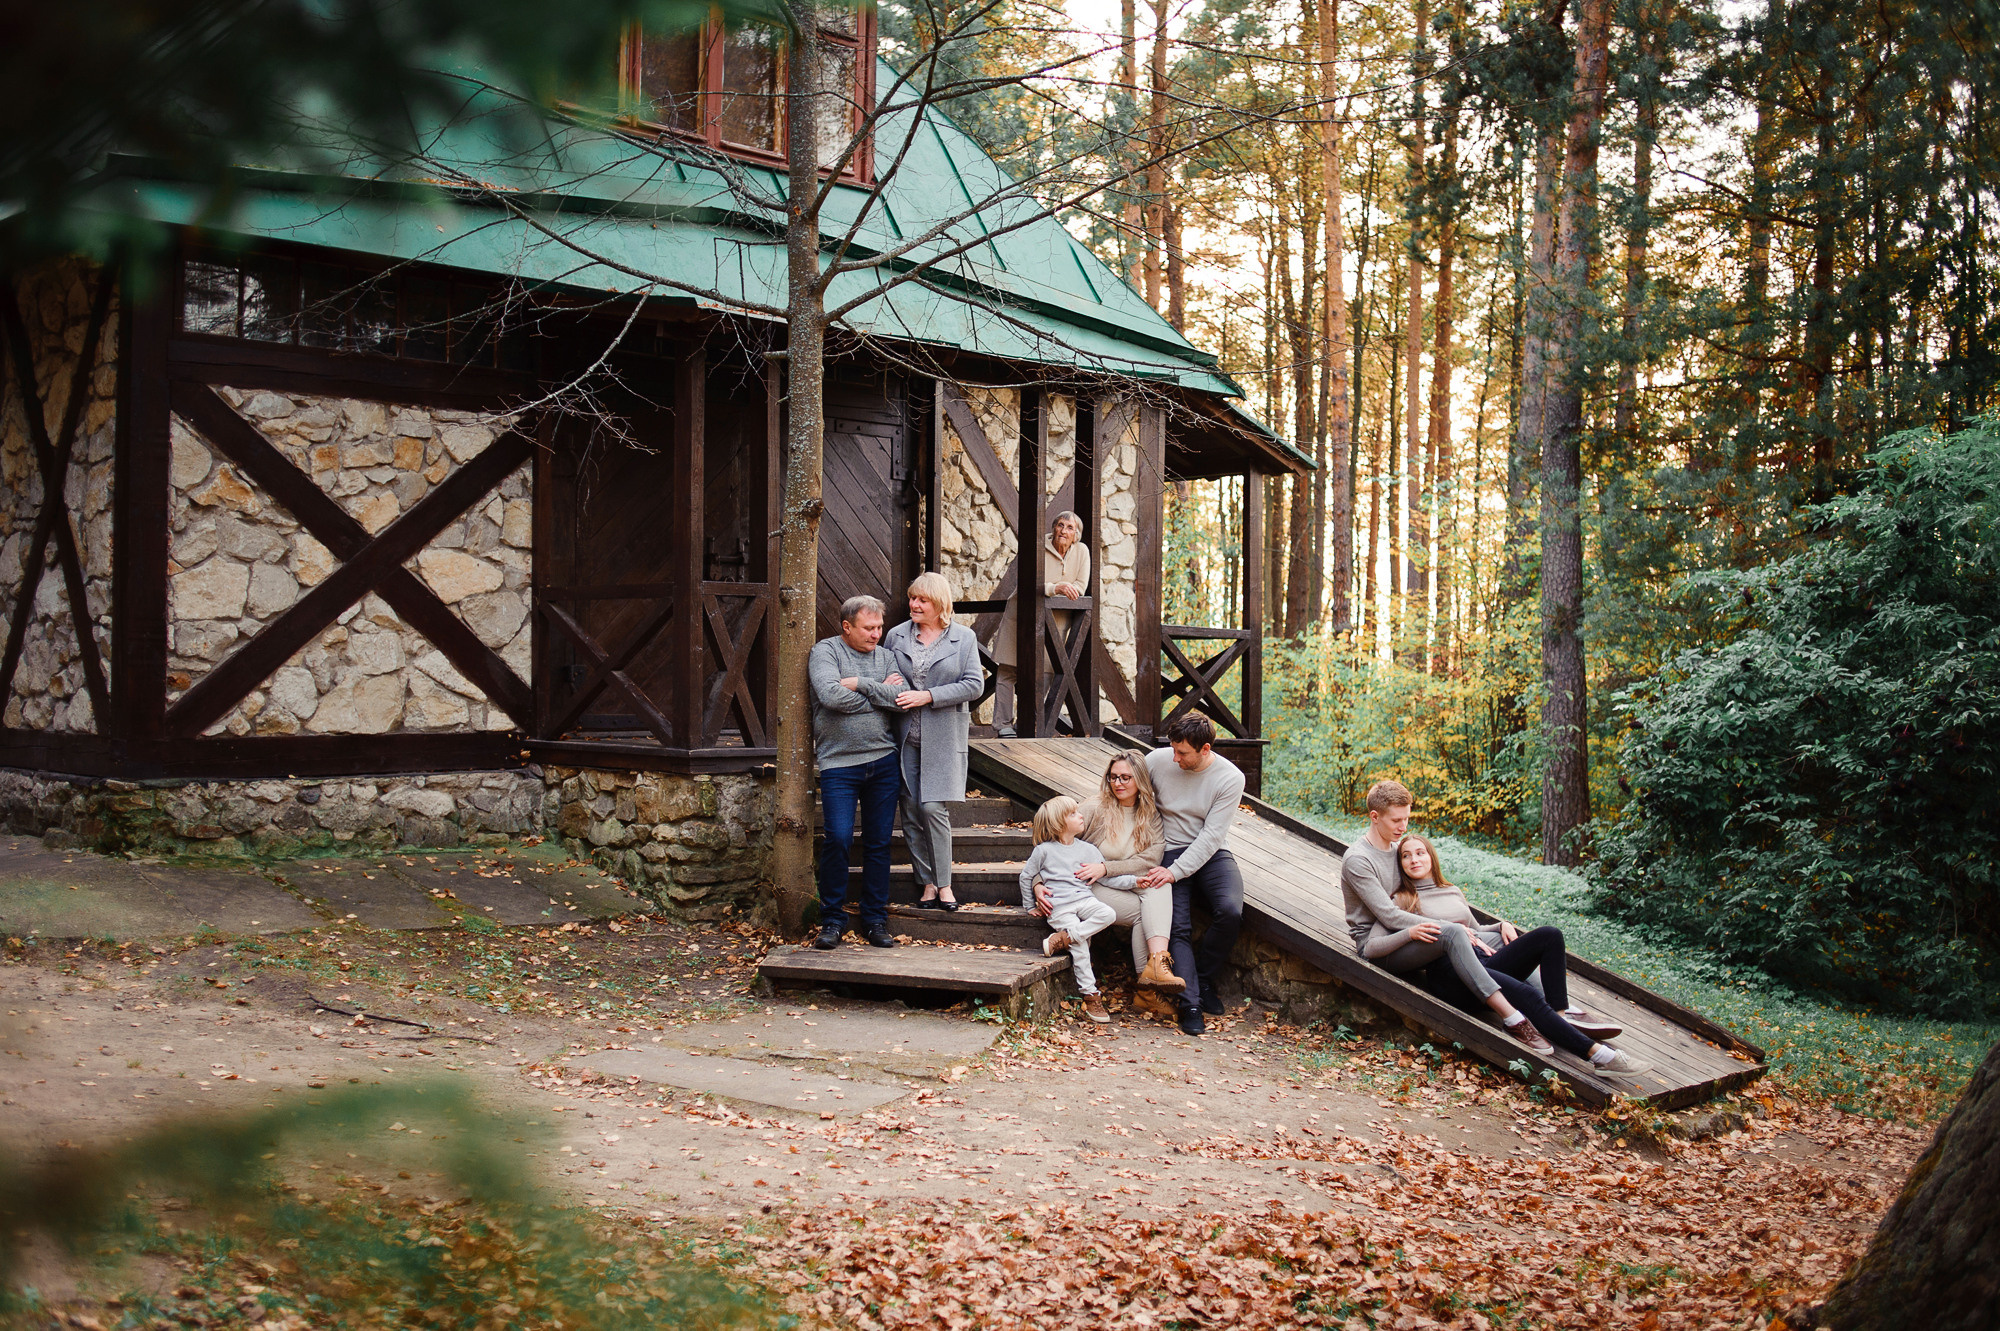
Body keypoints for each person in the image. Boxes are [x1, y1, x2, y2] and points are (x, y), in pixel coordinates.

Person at [1366, 833, 1652, 1076]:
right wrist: (1413, 932)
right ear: (1400, 864)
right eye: (1406, 856)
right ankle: (1598, 1056)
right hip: (1453, 978)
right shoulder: (1402, 899)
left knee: (1549, 935)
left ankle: (1560, 1016)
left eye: (1420, 853)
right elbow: (1373, 947)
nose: (1414, 860)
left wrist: (1499, 925)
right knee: (1526, 993)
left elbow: (1475, 931)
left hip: (1483, 961)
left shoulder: (1451, 891)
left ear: (1431, 857)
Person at [1135, 712, 1246, 1037]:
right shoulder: (1156, 761)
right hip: (1167, 850)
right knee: (1178, 925)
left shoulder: (1230, 778)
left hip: (1211, 852)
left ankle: (1204, 979)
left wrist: (1175, 873)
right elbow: (1120, 790)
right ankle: (1190, 1004)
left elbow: (1211, 837)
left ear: (1205, 749)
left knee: (1230, 911)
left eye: (1182, 753)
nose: (1175, 758)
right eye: (1173, 749)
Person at [806, 595, 907, 950]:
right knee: (837, 839)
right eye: (869, 628)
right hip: (839, 763)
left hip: (883, 762)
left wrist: (861, 684)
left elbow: (901, 699)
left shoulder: (886, 656)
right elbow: (830, 696)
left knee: (879, 843)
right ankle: (832, 920)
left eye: (879, 627)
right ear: (847, 627)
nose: (876, 634)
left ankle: (874, 919)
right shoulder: (826, 652)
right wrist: (881, 693)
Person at [882, 572, 987, 910]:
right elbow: (884, 672)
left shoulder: (963, 638)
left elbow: (974, 685)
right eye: (912, 598)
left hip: (942, 737)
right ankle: (926, 882)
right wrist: (889, 682)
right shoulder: (897, 635)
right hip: (905, 737)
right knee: (911, 810)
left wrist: (928, 696)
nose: (914, 604)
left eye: (922, 600)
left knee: (932, 809)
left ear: (939, 604)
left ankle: (945, 884)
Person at [1018, 794, 1134, 1024]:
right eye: (1073, 814)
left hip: (1084, 899)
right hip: (1059, 906)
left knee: (1108, 913)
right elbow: (1026, 876)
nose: (1081, 816)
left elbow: (1106, 879)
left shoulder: (1088, 850)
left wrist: (1136, 881)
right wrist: (1030, 905)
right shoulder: (1044, 851)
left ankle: (1065, 938)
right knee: (1081, 947)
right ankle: (1091, 994)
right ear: (1059, 823)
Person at [992, 509, 1088, 735]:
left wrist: (1058, 590)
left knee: (1047, 672)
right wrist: (1055, 588)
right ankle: (1002, 725)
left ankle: (1025, 724)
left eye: (1070, 528)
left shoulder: (1082, 551)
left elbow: (1080, 587)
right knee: (1008, 670)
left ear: (1076, 535)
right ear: (1053, 528)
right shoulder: (1037, 548)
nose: (1063, 530)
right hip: (1021, 615)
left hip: (1055, 621)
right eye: (1060, 525)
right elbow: (1027, 583)